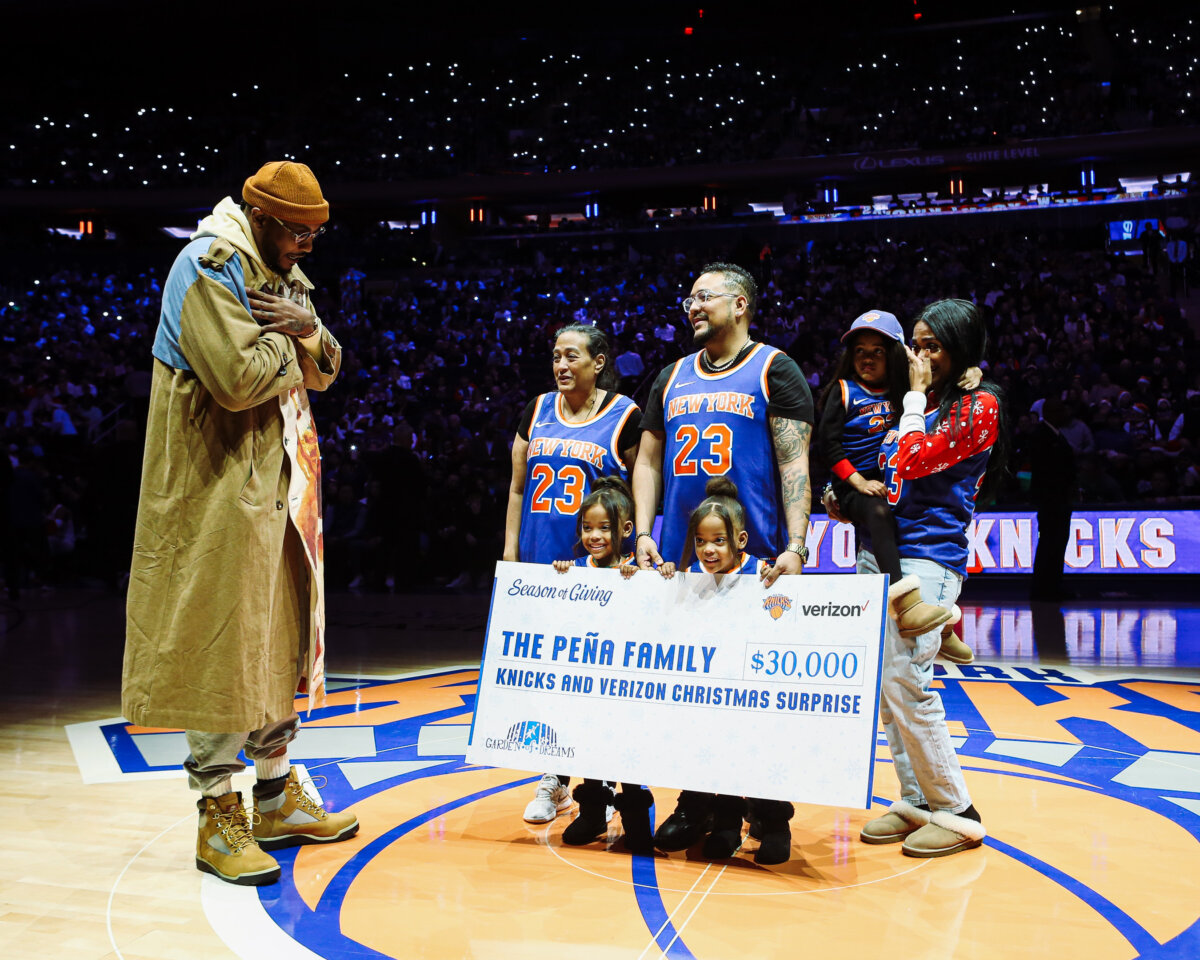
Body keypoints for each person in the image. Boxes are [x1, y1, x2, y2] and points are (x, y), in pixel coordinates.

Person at [121, 162, 358, 887]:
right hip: (216, 481)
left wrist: (305, 328)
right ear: (260, 216)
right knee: (222, 643)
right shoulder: (207, 264)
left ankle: (275, 791)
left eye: (318, 235)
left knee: (278, 633)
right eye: (299, 233)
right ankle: (217, 811)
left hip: (281, 476)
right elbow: (237, 380)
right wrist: (299, 339)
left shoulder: (276, 266)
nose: (308, 248)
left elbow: (329, 366)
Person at [633, 261, 814, 858]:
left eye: (703, 296)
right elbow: (649, 462)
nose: (691, 305)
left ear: (740, 304)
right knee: (690, 696)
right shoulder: (671, 375)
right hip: (686, 568)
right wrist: (643, 534)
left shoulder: (774, 369)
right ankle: (697, 804)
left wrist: (794, 546)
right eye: (688, 297)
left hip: (754, 564)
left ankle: (769, 813)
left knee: (756, 701)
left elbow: (794, 464)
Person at [831, 298, 1006, 858]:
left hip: (931, 557)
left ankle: (957, 809)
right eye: (918, 344)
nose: (920, 355)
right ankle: (917, 801)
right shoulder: (920, 401)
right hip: (882, 554)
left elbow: (909, 459)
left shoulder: (980, 404)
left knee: (907, 679)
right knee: (885, 688)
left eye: (933, 346)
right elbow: (885, 469)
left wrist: (912, 398)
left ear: (959, 350)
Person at [504, 324, 641, 823]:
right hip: (543, 570)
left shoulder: (626, 416)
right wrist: (510, 558)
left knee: (596, 685)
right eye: (556, 357)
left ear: (599, 362)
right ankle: (555, 780)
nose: (561, 365)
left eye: (572, 357)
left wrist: (634, 548)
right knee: (550, 685)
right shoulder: (536, 410)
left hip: (598, 577)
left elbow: (642, 490)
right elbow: (518, 489)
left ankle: (597, 784)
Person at [817, 309, 976, 663]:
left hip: (894, 489)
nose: (868, 359)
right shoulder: (844, 390)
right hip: (856, 487)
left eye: (877, 351)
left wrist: (971, 372)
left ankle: (944, 626)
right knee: (877, 510)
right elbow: (827, 446)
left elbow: (940, 383)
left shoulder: (906, 390)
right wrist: (856, 482)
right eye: (860, 351)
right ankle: (907, 603)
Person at [657, 478, 793, 864]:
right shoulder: (688, 578)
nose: (708, 549)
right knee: (707, 742)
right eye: (700, 541)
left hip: (756, 699)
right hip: (709, 697)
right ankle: (718, 817)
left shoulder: (764, 578)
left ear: (741, 539)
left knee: (758, 750)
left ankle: (773, 819)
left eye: (718, 540)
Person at [550, 477, 655, 853]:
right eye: (587, 527)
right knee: (588, 750)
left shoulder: (636, 570)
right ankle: (592, 814)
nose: (595, 536)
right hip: (587, 686)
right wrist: (561, 577)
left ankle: (637, 823)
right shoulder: (576, 568)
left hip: (625, 687)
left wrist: (638, 581)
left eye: (604, 528)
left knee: (629, 757)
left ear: (627, 529)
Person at [1028, 397, 1076, 601]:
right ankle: (1044, 588)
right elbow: (1046, 470)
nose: (1065, 414)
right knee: (1050, 543)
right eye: (1060, 410)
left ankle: (1053, 586)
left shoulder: (1055, 435)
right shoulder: (1041, 436)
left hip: (1059, 499)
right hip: (1051, 500)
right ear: (1049, 413)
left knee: (1056, 543)